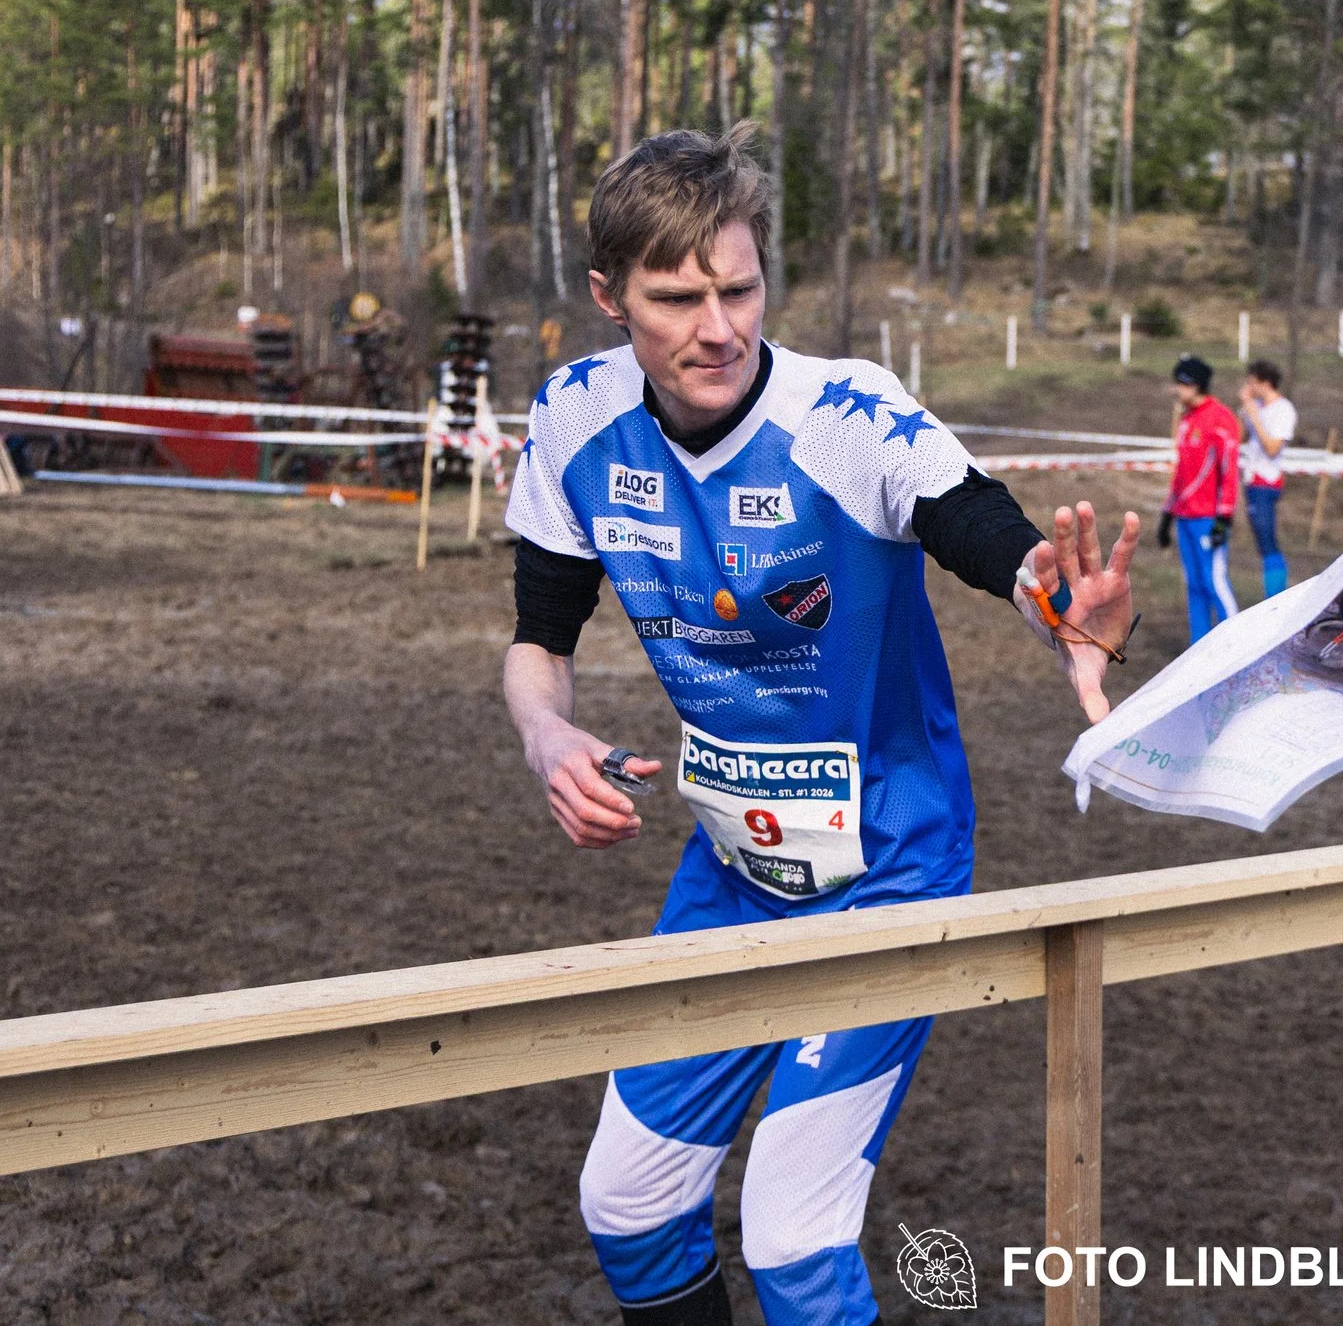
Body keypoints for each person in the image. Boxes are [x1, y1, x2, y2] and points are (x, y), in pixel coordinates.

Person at [501, 125, 1139, 1326]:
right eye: (676, 297)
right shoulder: (574, 419)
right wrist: (547, 737)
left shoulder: (844, 414)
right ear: (606, 297)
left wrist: (1057, 602)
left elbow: (974, 520)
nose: (718, 327)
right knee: (628, 1201)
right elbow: (539, 642)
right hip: (732, 867)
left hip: (887, 870)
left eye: (738, 288)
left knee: (792, 1238)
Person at [1158, 352, 1240, 642]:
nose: (1175, 389)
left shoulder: (1221, 420)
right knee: (1193, 584)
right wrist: (1167, 513)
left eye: (1180, 383)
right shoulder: (1185, 420)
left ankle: (1239, 646)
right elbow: (1181, 473)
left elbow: (1229, 473)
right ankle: (1200, 649)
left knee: (1213, 582)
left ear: (1194, 385)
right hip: (1184, 517)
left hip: (1209, 518)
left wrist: (1224, 518)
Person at [1238, 358, 1298, 598]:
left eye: (1252, 382)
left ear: (1264, 383)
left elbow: (1272, 447)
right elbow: (1241, 438)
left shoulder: (1284, 410)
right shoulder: (1259, 408)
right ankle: (1271, 593)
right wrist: (1247, 413)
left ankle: (1276, 595)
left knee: (1268, 542)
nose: (1248, 387)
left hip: (1266, 482)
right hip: (1252, 480)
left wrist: (1254, 415)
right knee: (1262, 545)